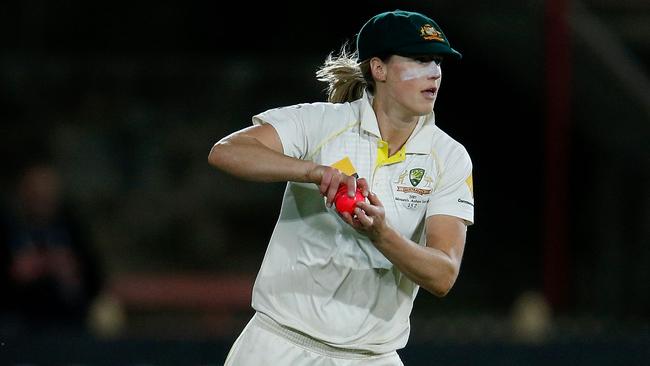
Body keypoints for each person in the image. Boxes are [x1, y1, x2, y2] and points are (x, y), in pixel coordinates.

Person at [209, 9, 474, 365]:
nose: (435, 73)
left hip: (373, 356)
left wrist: (382, 235)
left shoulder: (449, 157)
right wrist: (314, 172)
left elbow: (443, 275)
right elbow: (226, 152)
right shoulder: (322, 123)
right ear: (378, 69)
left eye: (438, 62)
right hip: (280, 345)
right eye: (420, 59)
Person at [0, 158, 104, 333]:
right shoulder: (7, 228)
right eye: (36, 194)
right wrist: (16, 273)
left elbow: (95, 278)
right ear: (23, 193)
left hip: (68, 321)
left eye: (48, 193)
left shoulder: (71, 228)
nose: (43, 199)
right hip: (17, 322)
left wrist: (72, 270)